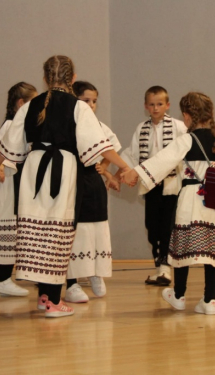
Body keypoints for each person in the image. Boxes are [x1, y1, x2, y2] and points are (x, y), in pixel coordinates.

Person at [0, 55, 131, 318]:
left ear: (44, 78)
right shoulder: (78, 107)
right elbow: (100, 145)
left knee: (38, 230)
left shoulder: (30, 105)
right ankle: (53, 301)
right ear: (72, 79)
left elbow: (8, 144)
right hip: (62, 170)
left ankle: (44, 297)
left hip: (33, 170)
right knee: (56, 234)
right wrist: (124, 167)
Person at [121, 92, 215, 314]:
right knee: (212, 254)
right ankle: (209, 300)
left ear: (186, 117)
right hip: (212, 200)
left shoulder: (186, 140)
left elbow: (161, 161)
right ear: (211, 114)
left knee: (182, 250)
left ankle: (179, 295)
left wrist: (135, 174)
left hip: (190, 199)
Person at [119, 86, 187, 286]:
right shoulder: (142, 128)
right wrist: (122, 174)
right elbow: (132, 154)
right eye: (152, 104)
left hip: (172, 184)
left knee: (168, 225)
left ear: (167, 105)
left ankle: (166, 268)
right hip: (150, 184)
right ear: (145, 106)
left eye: (160, 104)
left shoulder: (178, 126)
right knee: (152, 225)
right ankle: (160, 266)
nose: (156, 108)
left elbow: (187, 149)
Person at [64, 81, 121, 303]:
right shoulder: (69, 125)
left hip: (93, 184)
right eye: (85, 100)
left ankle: (95, 273)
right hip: (73, 181)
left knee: (97, 227)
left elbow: (111, 147)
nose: (91, 105)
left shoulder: (99, 126)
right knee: (76, 231)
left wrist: (105, 169)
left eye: (94, 101)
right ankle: (72, 282)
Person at [0, 82, 38, 297]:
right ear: (21, 104)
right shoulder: (11, 125)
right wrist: (1, 168)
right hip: (7, 185)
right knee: (8, 229)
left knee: (11, 231)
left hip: (14, 183)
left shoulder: (17, 126)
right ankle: (1, 278)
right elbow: (0, 149)